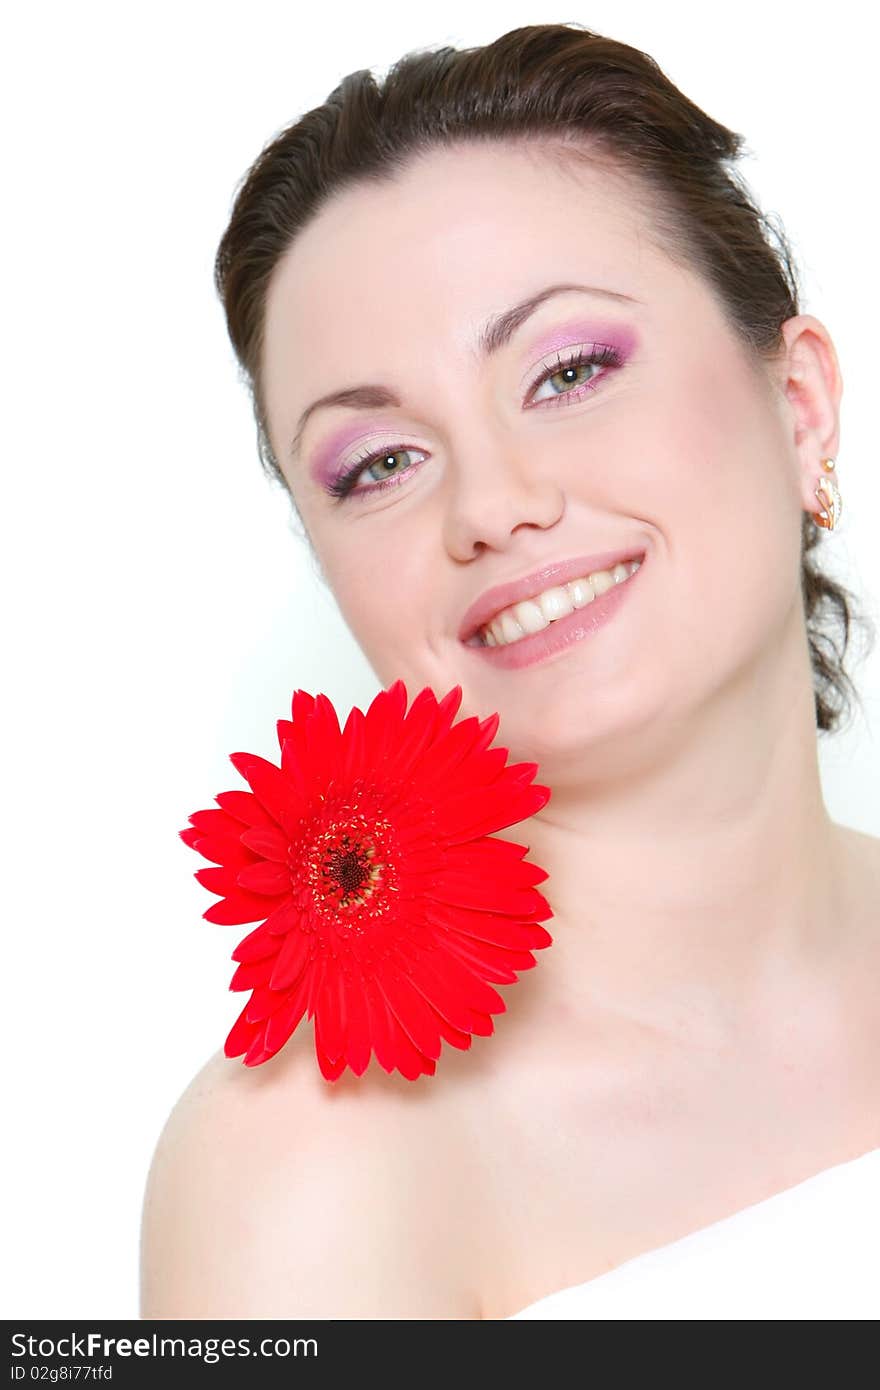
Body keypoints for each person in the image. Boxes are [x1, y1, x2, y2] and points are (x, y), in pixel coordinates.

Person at [139, 22, 880, 1319]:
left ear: (800, 404)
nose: (493, 502)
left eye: (570, 369)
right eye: (379, 461)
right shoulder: (306, 1162)